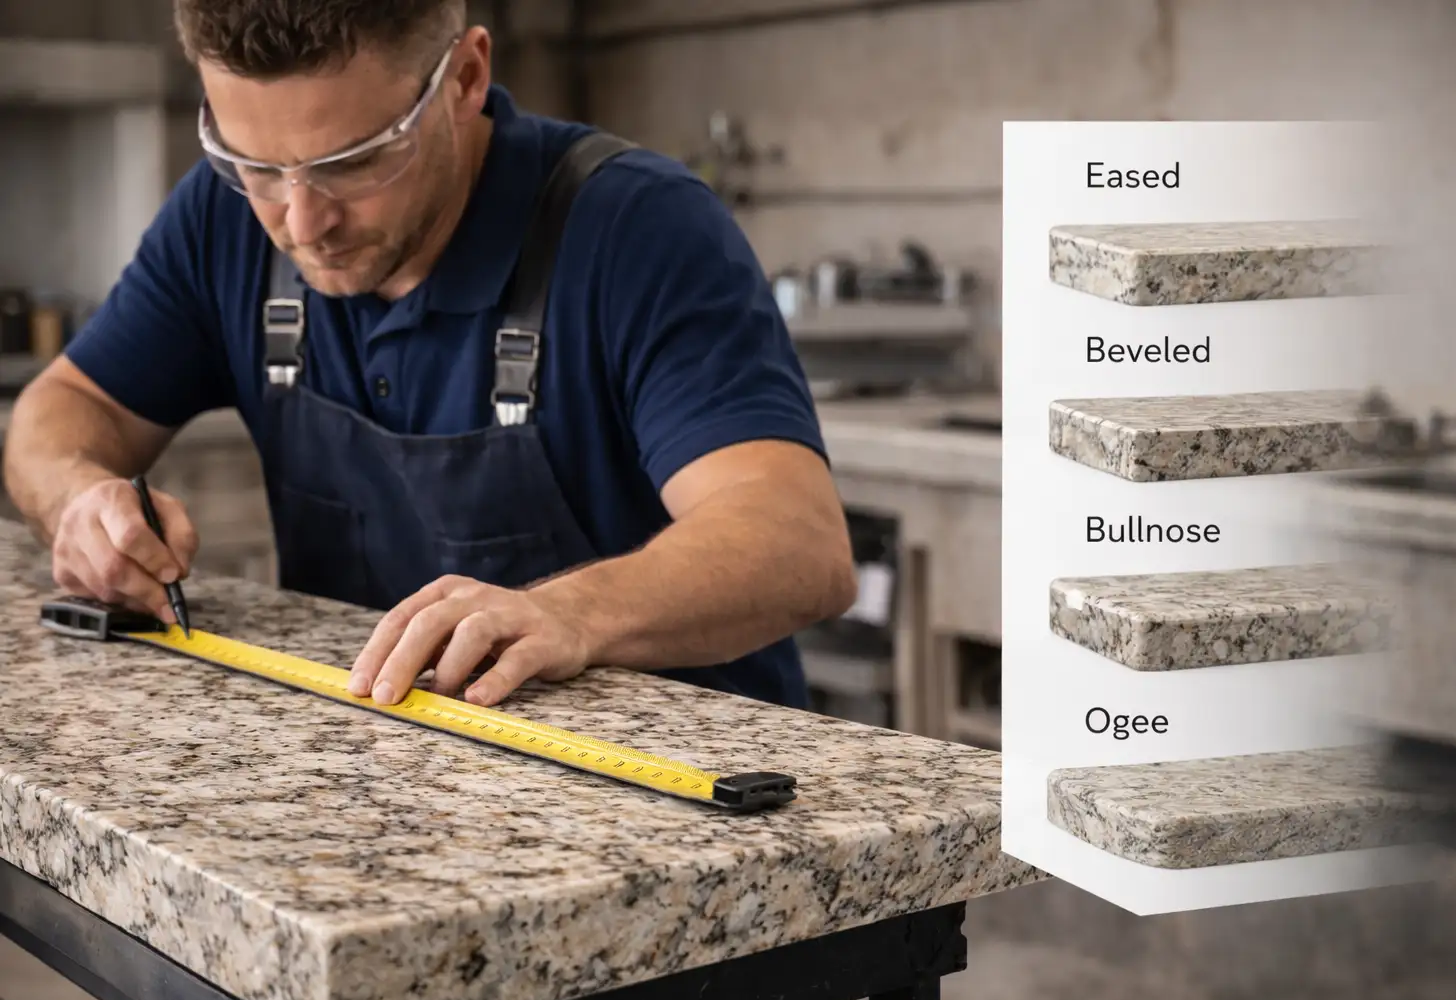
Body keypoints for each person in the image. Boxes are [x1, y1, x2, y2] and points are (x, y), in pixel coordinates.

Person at [1, 0, 856, 712]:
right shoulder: (219, 220)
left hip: (677, 791)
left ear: (465, 78)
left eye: (353, 162)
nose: (301, 222)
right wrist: (80, 501)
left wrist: (574, 613)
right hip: (381, 768)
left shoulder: (639, 229)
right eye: (253, 164)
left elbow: (797, 544)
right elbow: (65, 409)